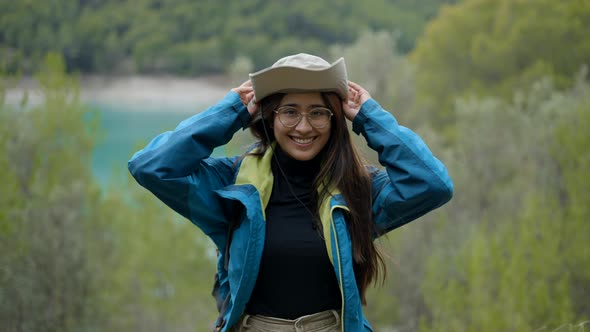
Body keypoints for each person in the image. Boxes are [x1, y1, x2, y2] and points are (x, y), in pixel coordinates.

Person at [128, 53, 453, 332]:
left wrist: (369, 117)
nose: (303, 126)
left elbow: (432, 183)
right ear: (269, 116)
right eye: (290, 111)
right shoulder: (233, 184)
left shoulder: (358, 190)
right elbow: (153, 167)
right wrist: (232, 112)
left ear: (335, 119)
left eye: (317, 112)